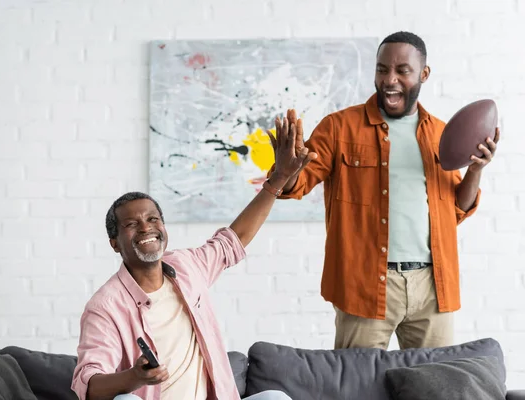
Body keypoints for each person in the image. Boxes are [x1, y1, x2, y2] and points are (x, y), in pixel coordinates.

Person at [267, 31, 499, 350]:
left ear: (424, 74)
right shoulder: (339, 128)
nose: (389, 79)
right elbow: (299, 183)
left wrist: (475, 170)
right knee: (358, 387)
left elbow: (456, 210)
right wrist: (286, 172)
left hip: (433, 286)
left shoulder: (439, 134)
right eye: (382, 69)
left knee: (435, 386)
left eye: (402, 70)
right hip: (363, 285)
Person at [71, 119, 314, 400]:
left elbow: (234, 238)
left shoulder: (187, 266)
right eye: (132, 224)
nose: (146, 227)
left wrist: (280, 178)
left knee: (275, 399)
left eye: (153, 219)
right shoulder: (105, 306)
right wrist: (134, 377)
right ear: (115, 243)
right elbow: (88, 386)